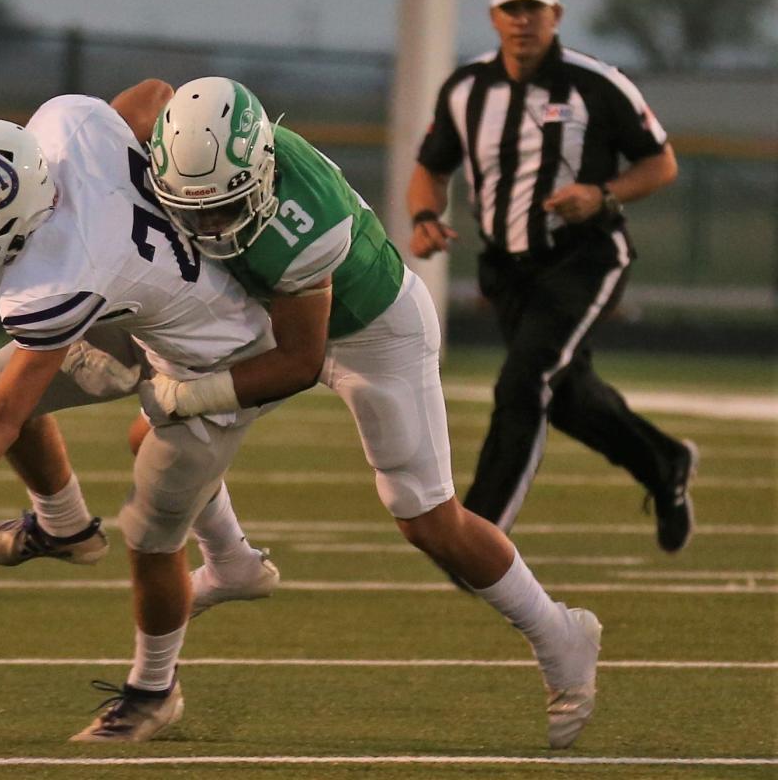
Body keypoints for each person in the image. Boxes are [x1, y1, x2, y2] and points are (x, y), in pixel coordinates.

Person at [138, 75, 602, 749]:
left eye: (226, 207)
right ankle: (231, 558)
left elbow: (299, 362)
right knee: (159, 438)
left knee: (426, 518)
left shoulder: (308, 219)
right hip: (271, 314)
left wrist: (188, 392)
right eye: (194, 209)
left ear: (262, 169)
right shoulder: (183, 150)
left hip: (371, 328)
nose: (209, 227)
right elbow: (150, 95)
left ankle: (560, 635)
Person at [0, 82, 281, 743]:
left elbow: (5, 421)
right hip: (140, 313)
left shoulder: (55, 278)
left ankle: (153, 691)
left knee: (152, 533)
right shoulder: (66, 129)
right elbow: (154, 95)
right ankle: (66, 527)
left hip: (220, 356)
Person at [405, 0, 698, 552]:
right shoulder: (466, 89)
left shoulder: (597, 84)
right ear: (493, 17)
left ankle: (477, 536)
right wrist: (425, 218)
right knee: (563, 396)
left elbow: (660, 162)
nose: (522, 22)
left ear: (555, 16)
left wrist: (602, 194)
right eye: (511, 10)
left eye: (533, 10)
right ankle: (664, 464)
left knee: (524, 380)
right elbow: (431, 167)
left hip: (586, 256)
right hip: (508, 269)